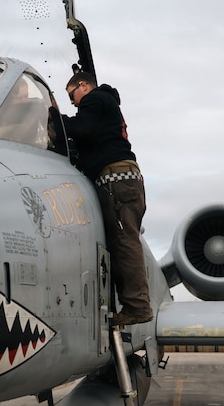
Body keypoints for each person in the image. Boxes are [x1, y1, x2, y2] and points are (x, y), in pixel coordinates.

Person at [50, 71, 152, 326]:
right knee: (121, 242)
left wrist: (53, 116)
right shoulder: (107, 104)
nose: (73, 102)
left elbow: (81, 129)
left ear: (83, 86)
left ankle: (138, 308)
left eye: (71, 95)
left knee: (125, 242)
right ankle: (132, 305)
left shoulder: (95, 99)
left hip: (116, 180)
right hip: (124, 180)